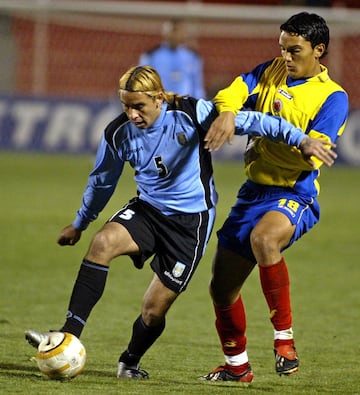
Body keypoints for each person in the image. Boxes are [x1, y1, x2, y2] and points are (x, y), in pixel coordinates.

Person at [24, 65, 336, 380]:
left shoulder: (191, 112)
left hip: (190, 224)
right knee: (103, 242)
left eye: (139, 106)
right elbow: (101, 183)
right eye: (126, 106)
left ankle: (130, 360)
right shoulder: (117, 133)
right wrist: (80, 223)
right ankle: (68, 335)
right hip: (148, 210)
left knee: (153, 309)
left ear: (159, 98)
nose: (132, 114)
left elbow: (256, 121)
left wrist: (302, 140)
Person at [200, 12, 349, 384]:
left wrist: (270, 129)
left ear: (319, 51)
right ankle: (237, 368)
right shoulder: (271, 71)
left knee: (264, 239)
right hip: (253, 192)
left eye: (294, 50)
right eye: (282, 48)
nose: (286, 56)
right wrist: (231, 111)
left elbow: (313, 155)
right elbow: (232, 91)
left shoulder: (333, 98)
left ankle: (285, 341)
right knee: (221, 288)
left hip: (294, 192)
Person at [139, 19, 205, 98]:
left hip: (184, 104)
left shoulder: (192, 56)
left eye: (178, 31)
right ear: (165, 33)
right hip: (160, 103)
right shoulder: (152, 55)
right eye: (173, 31)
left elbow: (197, 85)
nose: (175, 35)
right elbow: (143, 82)